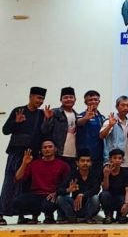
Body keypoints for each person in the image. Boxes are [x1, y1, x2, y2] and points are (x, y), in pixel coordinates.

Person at [1, 86, 47, 218]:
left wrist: (47, 120)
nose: (40, 101)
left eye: (42, 99)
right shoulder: (18, 111)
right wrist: (15, 122)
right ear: (31, 96)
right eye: (38, 98)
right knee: (10, 183)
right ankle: (2, 213)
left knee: (29, 185)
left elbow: (44, 133)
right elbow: (5, 130)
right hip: (16, 154)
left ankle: (23, 215)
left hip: (33, 155)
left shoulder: (41, 114)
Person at [8, 141, 70, 225]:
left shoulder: (63, 165)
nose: (47, 149)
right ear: (41, 150)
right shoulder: (34, 164)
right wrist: (24, 163)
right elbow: (17, 178)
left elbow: (66, 183)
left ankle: (49, 216)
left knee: (48, 205)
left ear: (55, 149)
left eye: (50, 147)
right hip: (36, 194)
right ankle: (34, 215)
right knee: (16, 202)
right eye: (44, 147)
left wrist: (57, 193)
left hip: (52, 195)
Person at [56, 150, 101, 224]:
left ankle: (88, 218)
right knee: (60, 198)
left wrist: (83, 195)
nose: (85, 163)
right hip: (74, 206)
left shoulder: (94, 174)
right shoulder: (72, 174)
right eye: (82, 161)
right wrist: (68, 190)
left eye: (88, 161)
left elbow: (96, 189)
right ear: (77, 163)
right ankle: (71, 218)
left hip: (88, 206)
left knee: (95, 198)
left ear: (91, 163)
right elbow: (59, 190)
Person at [42, 87, 79, 165]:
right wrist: (47, 119)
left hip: (74, 154)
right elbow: (44, 131)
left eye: (71, 97)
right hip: (58, 153)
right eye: (65, 97)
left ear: (75, 99)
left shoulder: (77, 115)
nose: (68, 99)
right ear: (60, 100)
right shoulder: (54, 112)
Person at [99, 148, 128, 224]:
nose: (117, 160)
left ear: (122, 160)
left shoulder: (126, 173)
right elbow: (105, 188)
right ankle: (108, 215)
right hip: (109, 197)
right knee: (103, 195)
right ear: (110, 159)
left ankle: (121, 215)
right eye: (114, 158)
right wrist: (106, 175)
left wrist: (126, 204)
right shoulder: (104, 170)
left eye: (119, 158)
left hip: (121, 198)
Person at [76, 90, 106, 171]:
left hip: (99, 155)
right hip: (85, 156)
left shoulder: (102, 117)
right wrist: (86, 118)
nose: (93, 102)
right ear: (85, 102)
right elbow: (79, 123)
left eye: (95, 99)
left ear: (99, 101)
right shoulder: (80, 115)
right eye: (90, 100)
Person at [100, 95, 128, 169]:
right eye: (122, 105)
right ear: (117, 107)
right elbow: (101, 136)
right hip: (112, 161)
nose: (125, 108)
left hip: (127, 162)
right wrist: (110, 125)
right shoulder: (110, 121)